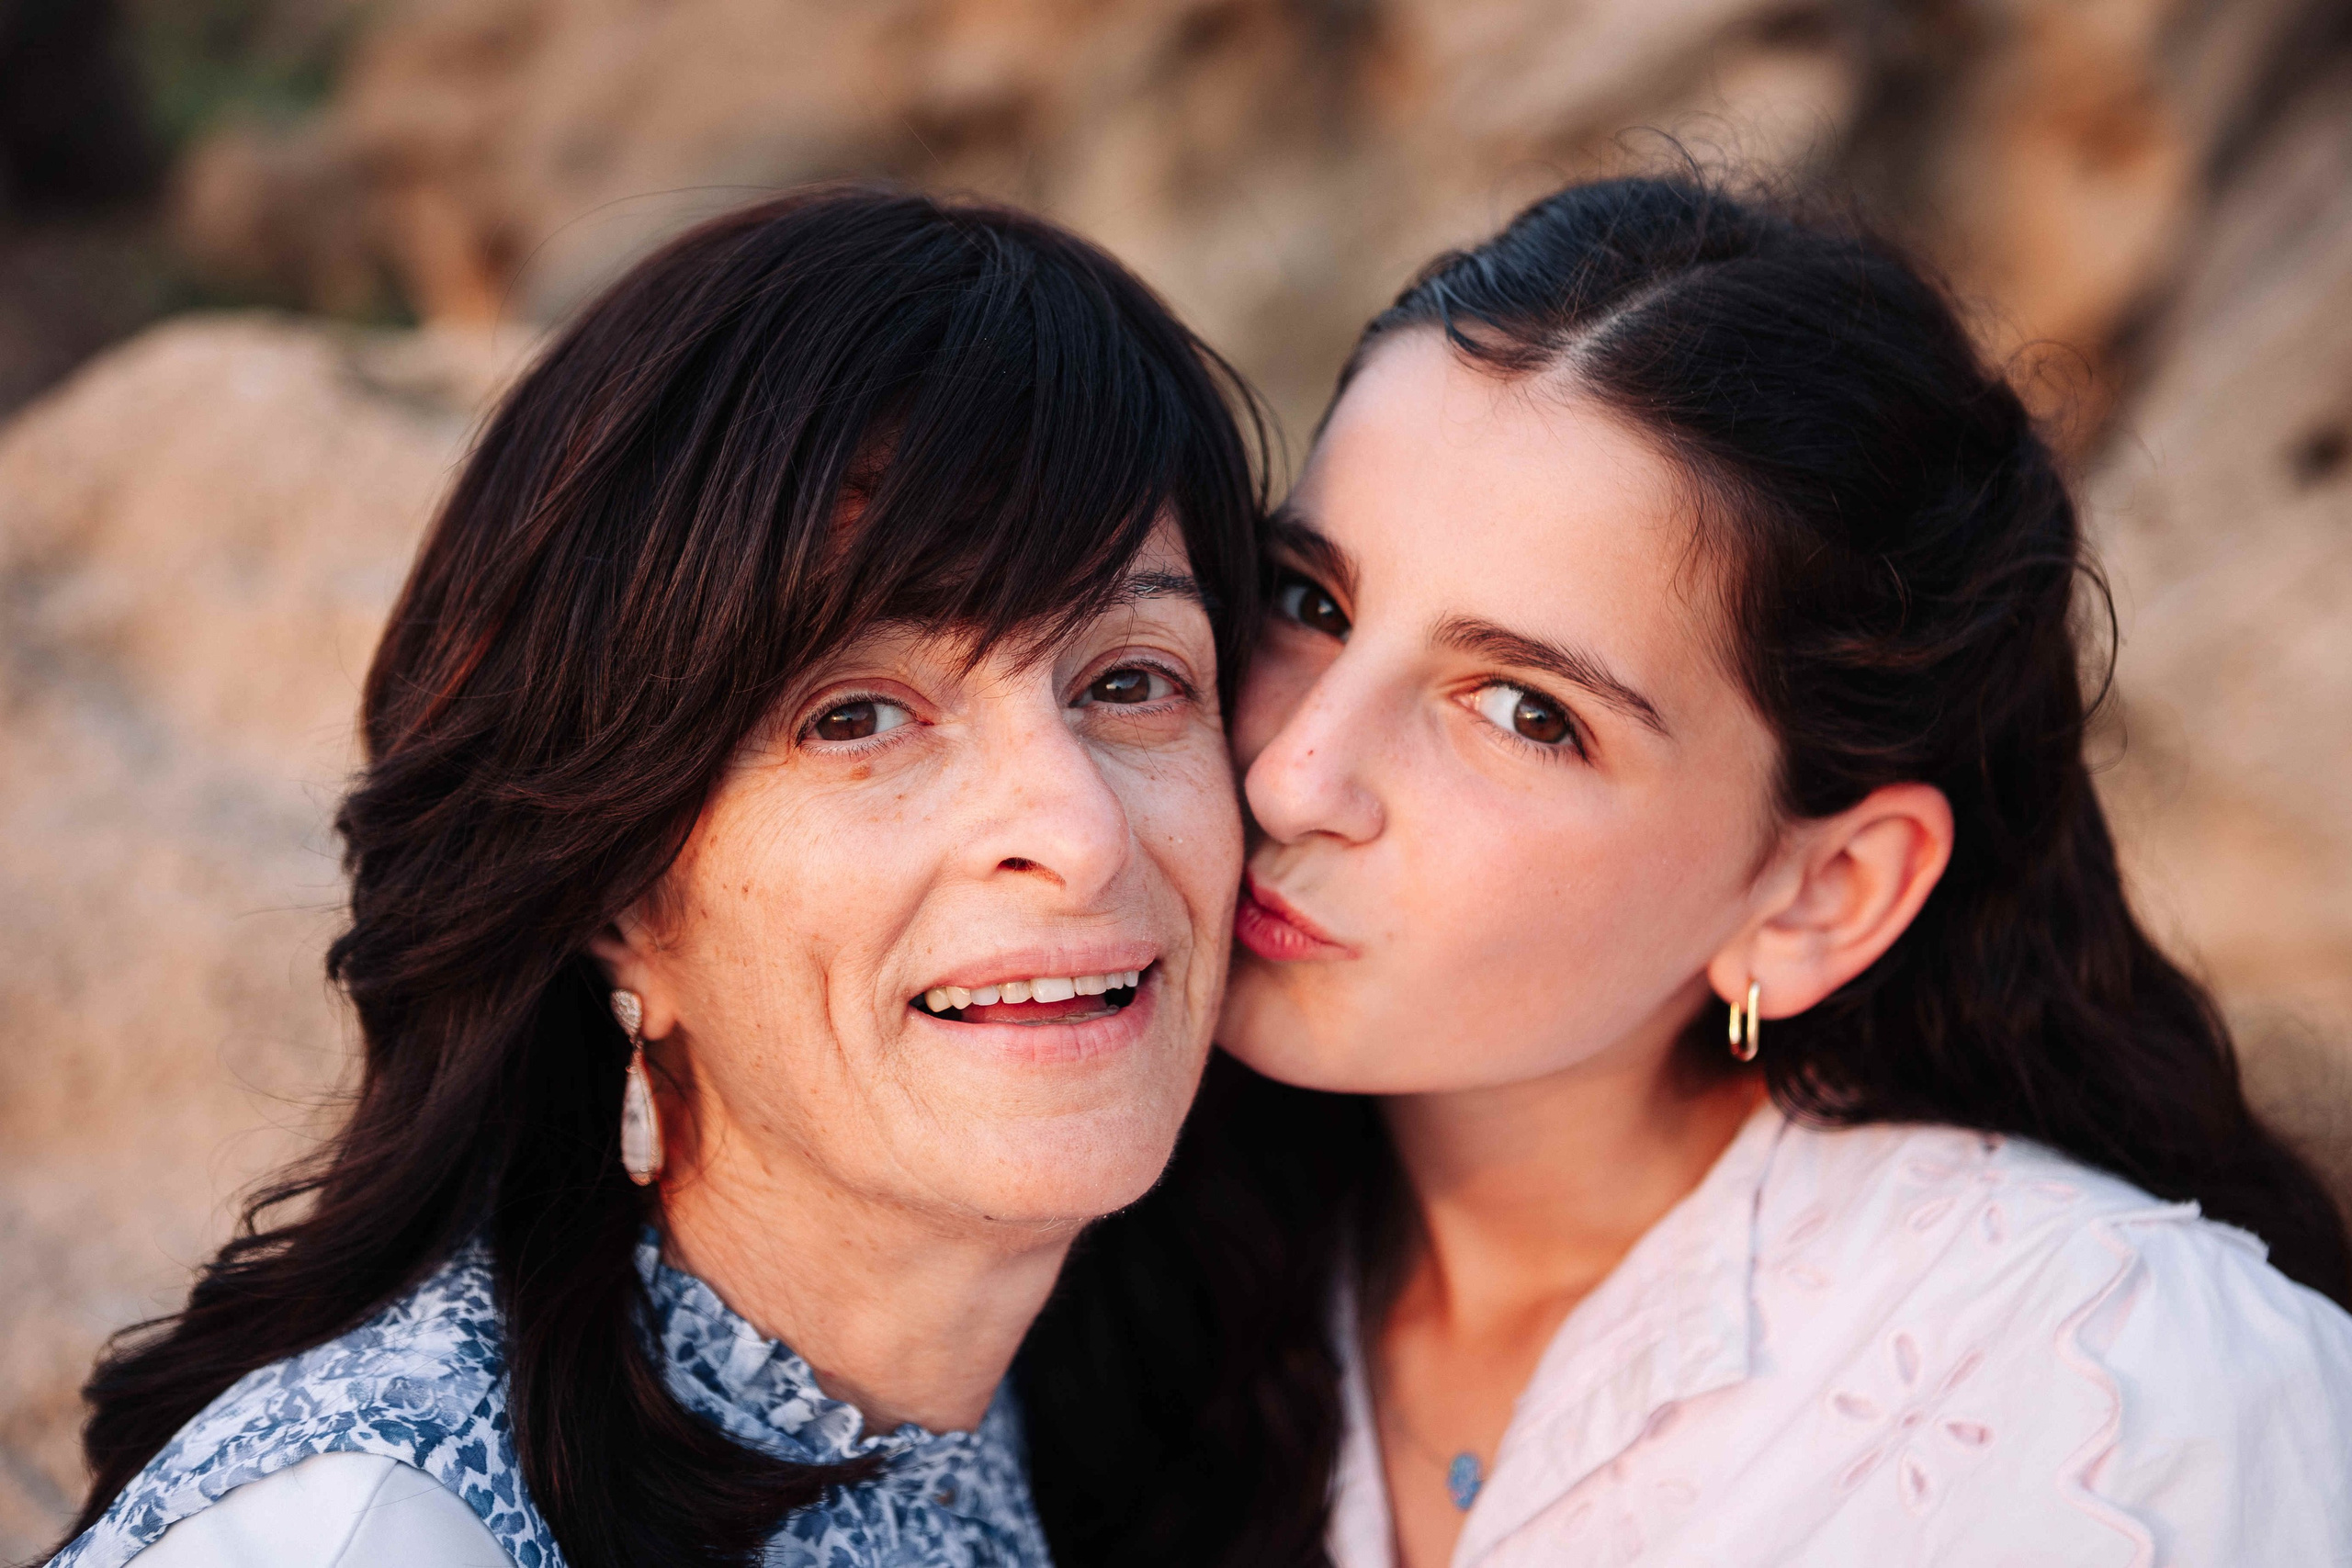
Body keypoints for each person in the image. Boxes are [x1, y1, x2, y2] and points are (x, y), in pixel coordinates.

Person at [1018, 175, 2352, 1566]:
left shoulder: (2124, 1397)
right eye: (1313, 601)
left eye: (1528, 710)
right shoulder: (1084, 1276)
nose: (1295, 775)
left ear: (1820, 894)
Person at [50, 185, 1264, 1568]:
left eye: (1128, 681)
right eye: (854, 715)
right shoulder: (378, 1527)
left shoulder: (1067, 1419)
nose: (1080, 828)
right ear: (622, 892)